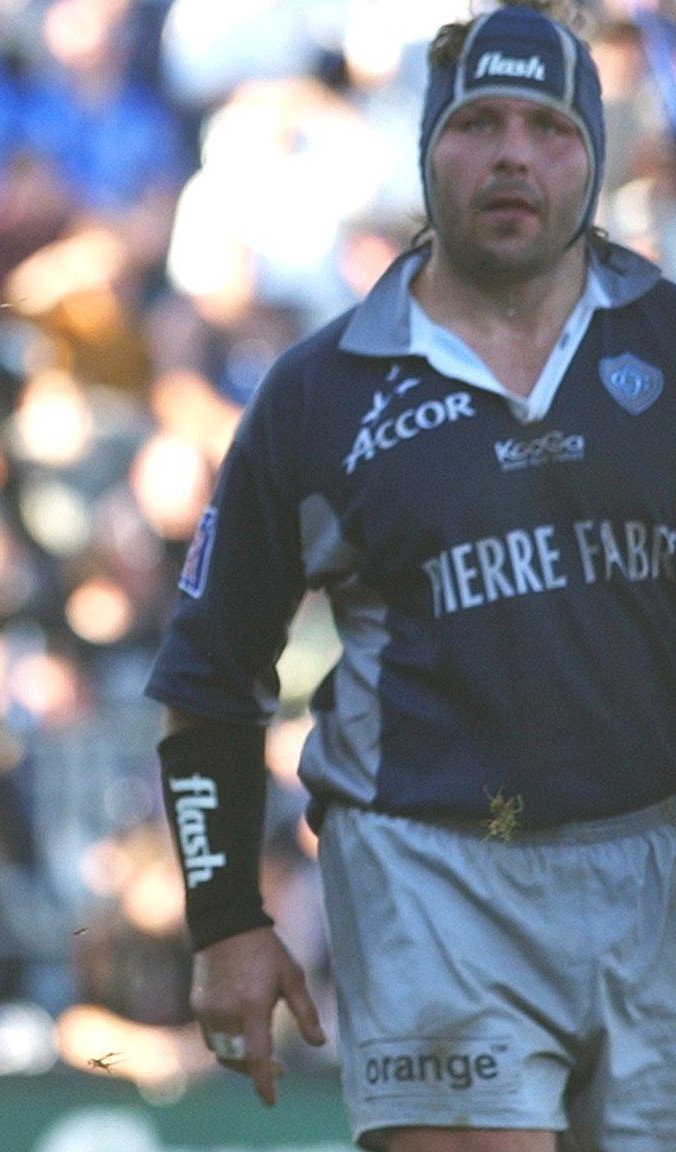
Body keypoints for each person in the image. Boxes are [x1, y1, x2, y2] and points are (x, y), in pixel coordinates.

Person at [147, 3, 676, 1148]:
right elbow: (207, 676)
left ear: (593, 155)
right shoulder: (316, 392)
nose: (510, 156)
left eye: (547, 128)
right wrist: (224, 920)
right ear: (425, 146)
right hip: (432, 872)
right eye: (476, 123)